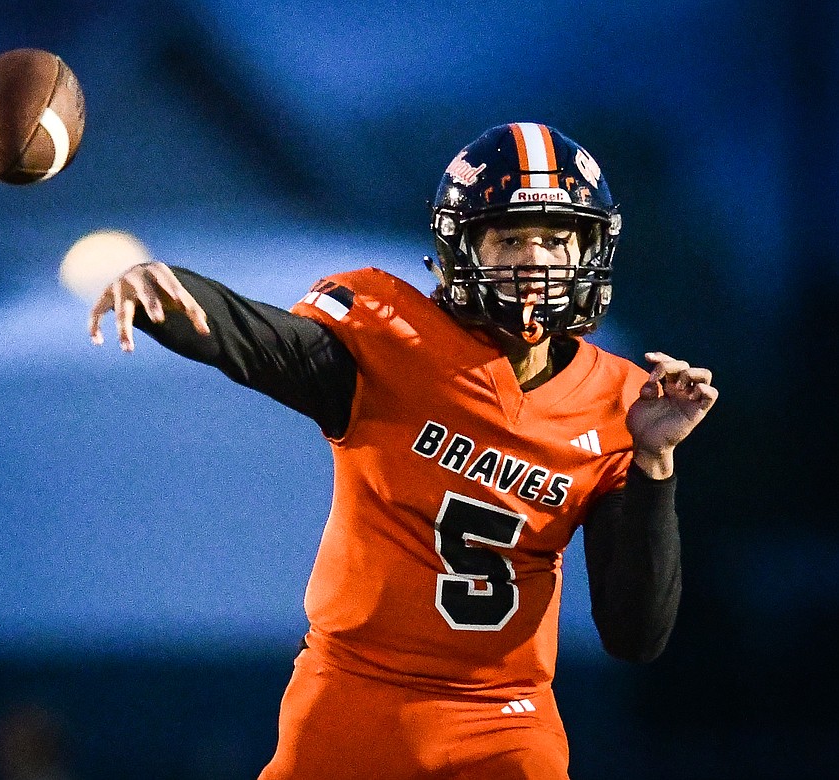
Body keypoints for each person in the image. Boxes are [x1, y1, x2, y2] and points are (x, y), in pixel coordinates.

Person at [86, 122, 717, 779]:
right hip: (355, 693)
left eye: (556, 239)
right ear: (459, 246)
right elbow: (266, 343)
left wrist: (653, 463)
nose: (536, 261)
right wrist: (169, 292)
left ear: (588, 249)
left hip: (503, 719)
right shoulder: (393, 339)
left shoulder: (617, 400)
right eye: (510, 238)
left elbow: (636, 635)